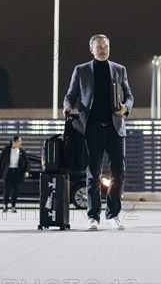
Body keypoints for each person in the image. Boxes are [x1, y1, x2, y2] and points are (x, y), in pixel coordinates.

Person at [64, 34, 134, 230]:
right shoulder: (81, 70)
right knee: (92, 174)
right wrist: (67, 107)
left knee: (118, 173)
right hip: (91, 129)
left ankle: (113, 214)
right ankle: (93, 216)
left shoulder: (120, 70)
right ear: (91, 49)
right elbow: (71, 95)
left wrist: (126, 108)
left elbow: (129, 95)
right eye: (99, 47)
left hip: (115, 129)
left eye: (106, 46)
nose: (103, 49)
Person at [0, 135, 30, 212]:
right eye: (19, 141)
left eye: (20, 141)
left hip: (17, 172)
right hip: (8, 172)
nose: (20, 143)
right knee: (7, 189)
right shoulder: (6, 149)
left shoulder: (22, 151)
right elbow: (0, 159)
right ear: (14, 142)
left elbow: (26, 162)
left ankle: (13, 206)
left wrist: (26, 171)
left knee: (15, 190)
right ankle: (5, 206)